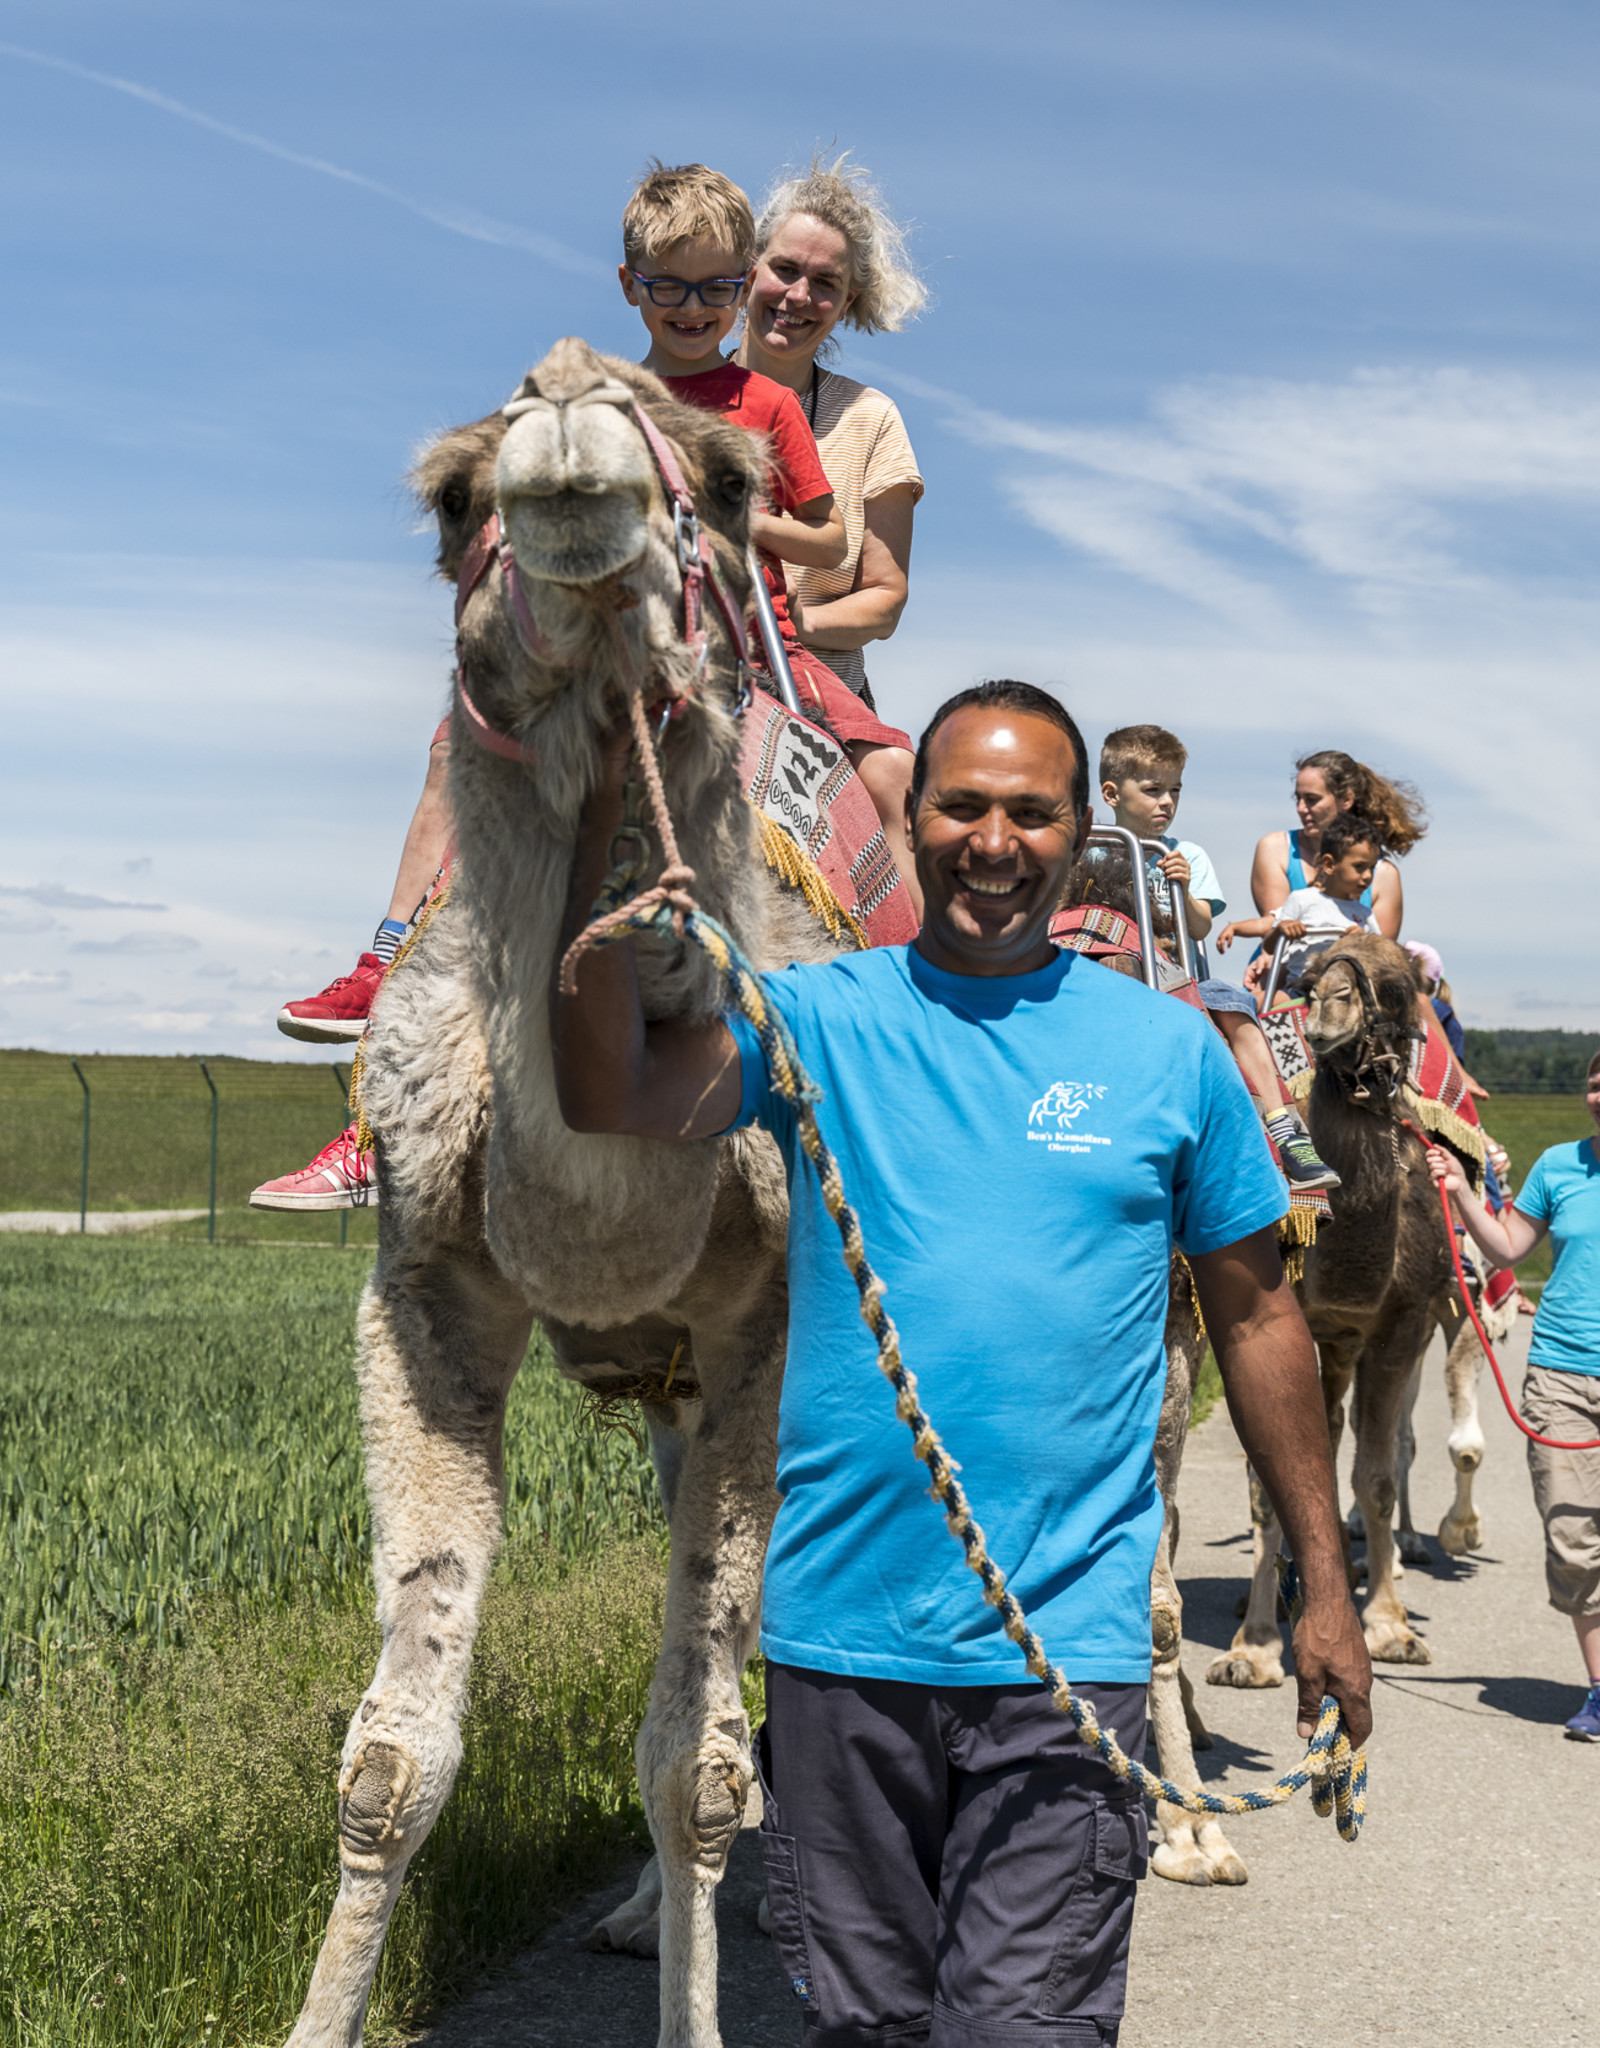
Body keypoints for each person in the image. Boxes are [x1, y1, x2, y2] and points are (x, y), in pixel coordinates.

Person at [551, 677, 1373, 2045]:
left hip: (1066, 1662)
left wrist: (1324, 1592)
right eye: (965, 806)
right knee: (866, 2032)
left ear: (1081, 834)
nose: (995, 839)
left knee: (1022, 2032)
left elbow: (1258, 1319)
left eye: (1032, 813)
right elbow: (609, 1093)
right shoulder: (816, 1022)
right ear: (913, 819)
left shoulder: (1170, 1056)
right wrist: (593, 865)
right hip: (841, 1655)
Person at [252, 157, 926, 1211]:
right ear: (637, 288)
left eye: (802, 282)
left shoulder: (793, 410)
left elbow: (841, 547)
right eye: (681, 287)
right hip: (635, 640)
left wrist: (721, 514)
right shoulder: (615, 400)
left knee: (890, 777)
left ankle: (909, 1045)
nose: (712, 305)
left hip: (757, 642)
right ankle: (387, 1052)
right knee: (482, 762)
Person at [735, 153, 927, 904]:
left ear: (848, 305)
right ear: (747, 270)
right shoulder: (676, 397)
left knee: (897, 790)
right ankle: (416, 951)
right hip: (684, 669)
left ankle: (915, 997)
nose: (798, 295)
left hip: (818, 694)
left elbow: (884, 599)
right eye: (784, 269)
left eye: (826, 284)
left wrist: (782, 625)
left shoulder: (869, 418)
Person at [1426, 1051, 1600, 1742]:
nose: (1598, 1091)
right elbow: (1504, 1249)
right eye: (1593, 1079)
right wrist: (1462, 1190)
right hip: (1560, 1374)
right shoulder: (1560, 1166)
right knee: (1574, 1540)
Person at [1098, 722, 1337, 1193]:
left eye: (1175, 791)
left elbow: (1202, 927)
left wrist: (1183, 888)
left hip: (1174, 973)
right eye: (1152, 790)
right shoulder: (1091, 849)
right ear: (1111, 793)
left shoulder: (1187, 855)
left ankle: (1284, 1129)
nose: (1167, 802)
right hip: (1106, 968)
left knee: (1232, 1004)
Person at [1249, 748, 1425, 942]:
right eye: (1298, 798)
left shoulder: (1384, 875)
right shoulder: (1275, 848)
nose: (1301, 808)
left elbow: (1381, 956)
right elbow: (1276, 927)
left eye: (1312, 800)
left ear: (1347, 800)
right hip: (1285, 967)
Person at [1218, 813, 1381, 996]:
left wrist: (1363, 942)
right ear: (1329, 865)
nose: (1368, 875)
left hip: (1347, 994)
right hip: (1300, 991)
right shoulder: (1302, 900)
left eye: (1372, 867)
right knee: (1255, 1004)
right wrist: (1281, 930)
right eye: (1359, 867)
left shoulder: (1364, 914)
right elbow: (1271, 947)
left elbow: (1382, 958)